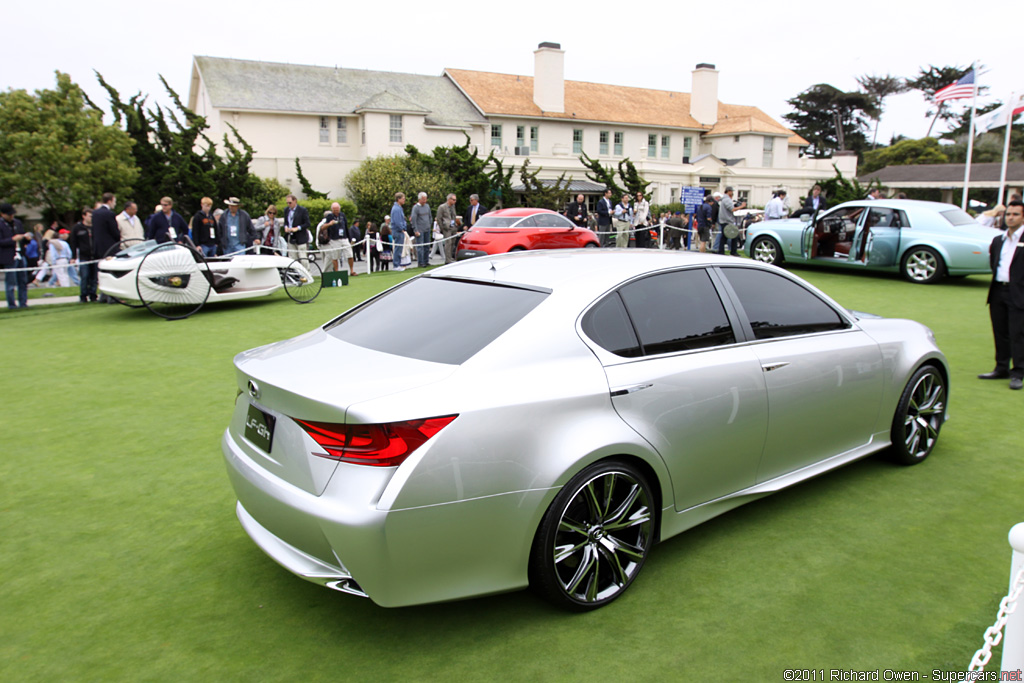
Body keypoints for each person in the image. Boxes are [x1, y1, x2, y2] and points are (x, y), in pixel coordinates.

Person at [979, 200, 1024, 390]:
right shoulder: (999, 240)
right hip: (998, 291)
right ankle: (1001, 367)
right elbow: (994, 263)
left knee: (1018, 334)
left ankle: (1019, 372)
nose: (1010, 217)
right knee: (1000, 332)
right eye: (1008, 214)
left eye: (1015, 214)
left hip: (1019, 294)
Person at [0, 202, 29, 309]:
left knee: (23, 281)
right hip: (9, 256)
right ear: (2, 214)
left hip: (20, 254)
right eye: (9, 214)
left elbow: (22, 235)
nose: (11, 216)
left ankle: (23, 303)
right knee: (11, 282)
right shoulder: (1, 225)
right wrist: (12, 239)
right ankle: (12, 305)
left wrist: (26, 239)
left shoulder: (17, 223)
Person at [69, 208, 98, 302]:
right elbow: (73, 243)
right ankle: (83, 295)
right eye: (89, 216)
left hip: (95, 255)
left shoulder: (95, 228)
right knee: (84, 276)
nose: (91, 218)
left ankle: (93, 294)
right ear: (84, 216)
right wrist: (73, 256)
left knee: (94, 277)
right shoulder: (77, 228)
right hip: (84, 256)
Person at [326, 202, 355, 275]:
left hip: (344, 238)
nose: (336, 211)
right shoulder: (329, 216)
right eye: (334, 210)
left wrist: (349, 237)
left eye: (337, 209)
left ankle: (352, 270)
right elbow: (325, 227)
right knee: (335, 256)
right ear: (332, 209)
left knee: (350, 254)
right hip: (334, 239)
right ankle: (336, 272)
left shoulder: (342, 215)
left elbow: (346, 226)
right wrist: (330, 224)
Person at [92, 192, 121, 262]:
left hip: (98, 246)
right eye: (114, 202)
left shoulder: (95, 213)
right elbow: (114, 231)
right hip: (109, 246)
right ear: (109, 201)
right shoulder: (109, 214)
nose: (115, 204)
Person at [717, 187, 745, 256]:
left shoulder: (724, 199)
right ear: (728, 191)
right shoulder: (727, 199)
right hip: (728, 221)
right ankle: (733, 251)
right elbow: (732, 209)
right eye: (732, 191)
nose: (732, 193)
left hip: (724, 221)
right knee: (734, 235)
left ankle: (721, 251)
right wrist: (741, 206)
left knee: (724, 237)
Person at [283, 194, 310, 261]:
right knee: (292, 258)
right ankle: (295, 271)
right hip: (291, 237)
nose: (289, 204)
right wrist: (286, 227)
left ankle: (305, 271)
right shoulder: (286, 210)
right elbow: (286, 221)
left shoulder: (302, 210)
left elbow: (307, 223)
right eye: (287, 203)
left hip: (301, 237)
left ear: (295, 201)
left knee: (303, 258)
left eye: (290, 203)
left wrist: (297, 228)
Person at [410, 192, 432, 268]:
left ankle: (426, 261)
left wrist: (429, 225)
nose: (424, 201)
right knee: (420, 247)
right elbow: (413, 219)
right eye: (423, 199)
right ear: (419, 199)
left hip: (427, 229)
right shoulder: (416, 208)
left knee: (427, 246)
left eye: (425, 199)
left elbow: (430, 216)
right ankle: (421, 262)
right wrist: (416, 230)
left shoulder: (427, 206)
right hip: (420, 230)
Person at [435, 193, 459, 264]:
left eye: (455, 200)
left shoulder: (453, 207)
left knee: (453, 242)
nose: (455, 201)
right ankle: (447, 260)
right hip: (447, 228)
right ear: (449, 199)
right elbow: (439, 219)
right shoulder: (442, 207)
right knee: (448, 243)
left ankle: (450, 257)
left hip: (453, 227)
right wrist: (442, 228)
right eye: (453, 200)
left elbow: (454, 216)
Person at [390, 192, 408, 272]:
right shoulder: (396, 209)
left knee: (399, 248)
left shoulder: (399, 208)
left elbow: (403, 219)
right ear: (398, 199)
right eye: (403, 199)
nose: (404, 200)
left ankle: (398, 264)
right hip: (398, 231)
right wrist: (402, 228)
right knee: (398, 248)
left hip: (400, 230)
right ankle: (396, 265)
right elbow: (397, 221)